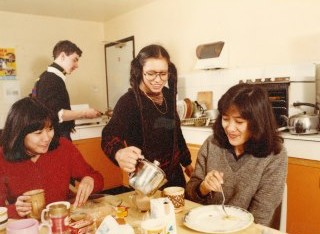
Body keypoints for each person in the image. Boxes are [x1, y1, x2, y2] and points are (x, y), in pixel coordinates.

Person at [185, 83, 287, 227]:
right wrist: (203, 188)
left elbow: (260, 219)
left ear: (257, 122)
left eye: (239, 121)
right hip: (206, 226)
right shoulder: (212, 144)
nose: (230, 128)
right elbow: (189, 196)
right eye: (225, 119)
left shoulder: (275, 155)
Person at [101, 44, 194, 188]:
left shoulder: (168, 95)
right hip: (146, 179)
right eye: (151, 73)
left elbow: (176, 133)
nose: (158, 80)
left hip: (176, 177)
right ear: (139, 72)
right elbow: (108, 135)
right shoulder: (129, 102)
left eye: (163, 74)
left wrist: (187, 164)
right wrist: (119, 153)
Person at [0, 97, 104, 219]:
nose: (47, 138)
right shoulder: (2, 158)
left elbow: (97, 178)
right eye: (38, 133)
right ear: (19, 134)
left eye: (50, 129)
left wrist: (89, 180)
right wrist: (15, 209)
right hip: (27, 227)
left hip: (64, 221)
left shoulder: (63, 147)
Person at [31, 40, 101, 140]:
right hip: (56, 138)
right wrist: (85, 113)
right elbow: (57, 113)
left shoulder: (46, 76)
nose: (77, 65)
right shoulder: (52, 79)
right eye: (75, 60)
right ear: (62, 56)